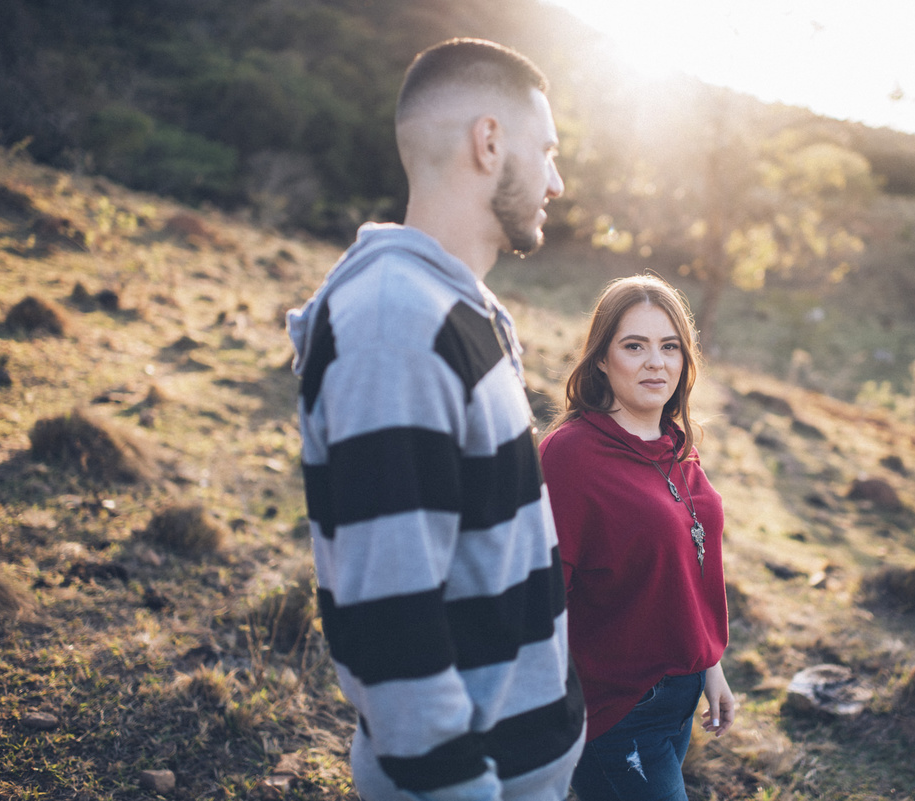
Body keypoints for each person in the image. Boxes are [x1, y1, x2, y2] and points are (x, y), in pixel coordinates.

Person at [287, 38, 585, 801]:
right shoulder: (396, 323)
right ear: (489, 142)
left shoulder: (462, 307)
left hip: (522, 757)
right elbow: (388, 612)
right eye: (545, 150)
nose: (556, 181)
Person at [538, 275, 735, 801]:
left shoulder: (676, 445)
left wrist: (707, 663)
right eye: (635, 346)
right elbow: (541, 597)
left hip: (679, 696)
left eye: (670, 346)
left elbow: (685, 571)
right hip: (613, 711)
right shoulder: (570, 455)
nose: (656, 362)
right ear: (601, 359)